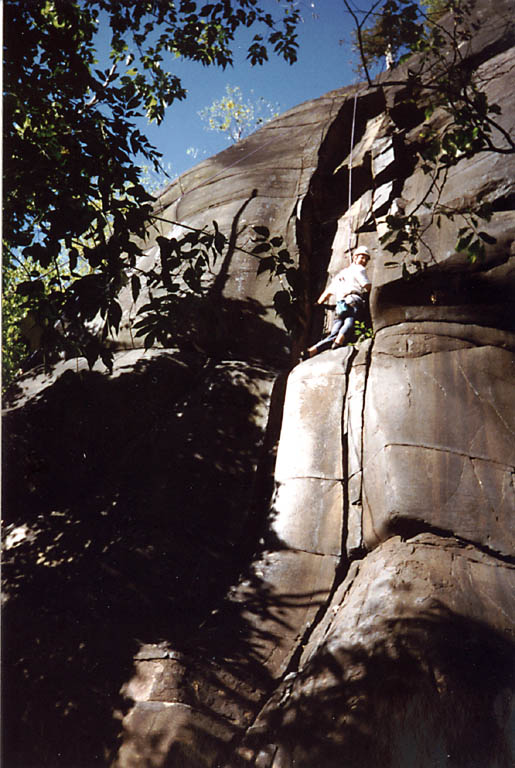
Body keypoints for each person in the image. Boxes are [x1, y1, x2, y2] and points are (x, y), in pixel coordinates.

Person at [301, 245, 371, 359]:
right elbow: (366, 285)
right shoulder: (359, 269)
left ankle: (313, 350)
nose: (364, 261)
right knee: (350, 320)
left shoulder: (341, 274)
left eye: (366, 259)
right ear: (354, 257)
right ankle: (340, 339)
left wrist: (318, 303)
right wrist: (369, 291)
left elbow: (328, 292)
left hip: (340, 305)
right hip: (353, 299)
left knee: (335, 330)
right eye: (362, 257)